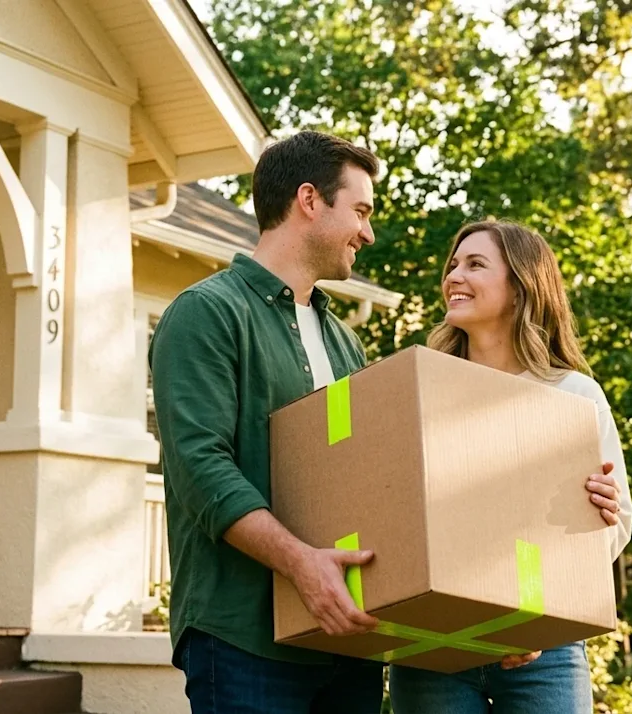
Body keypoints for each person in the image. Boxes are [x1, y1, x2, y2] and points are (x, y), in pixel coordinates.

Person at [149, 131, 387, 713]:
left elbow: (366, 475)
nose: (368, 232)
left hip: (345, 640)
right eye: (360, 210)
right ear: (309, 200)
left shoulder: (344, 341)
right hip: (242, 638)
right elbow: (201, 467)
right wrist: (300, 564)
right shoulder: (206, 313)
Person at [388, 220, 632, 714]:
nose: (454, 276)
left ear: (522, 287)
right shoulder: (419, 392)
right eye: (453, 265)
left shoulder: (574, 396)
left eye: (475, 264)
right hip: (436, 643)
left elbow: (617, 525)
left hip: (544, 652)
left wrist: (598, 519)